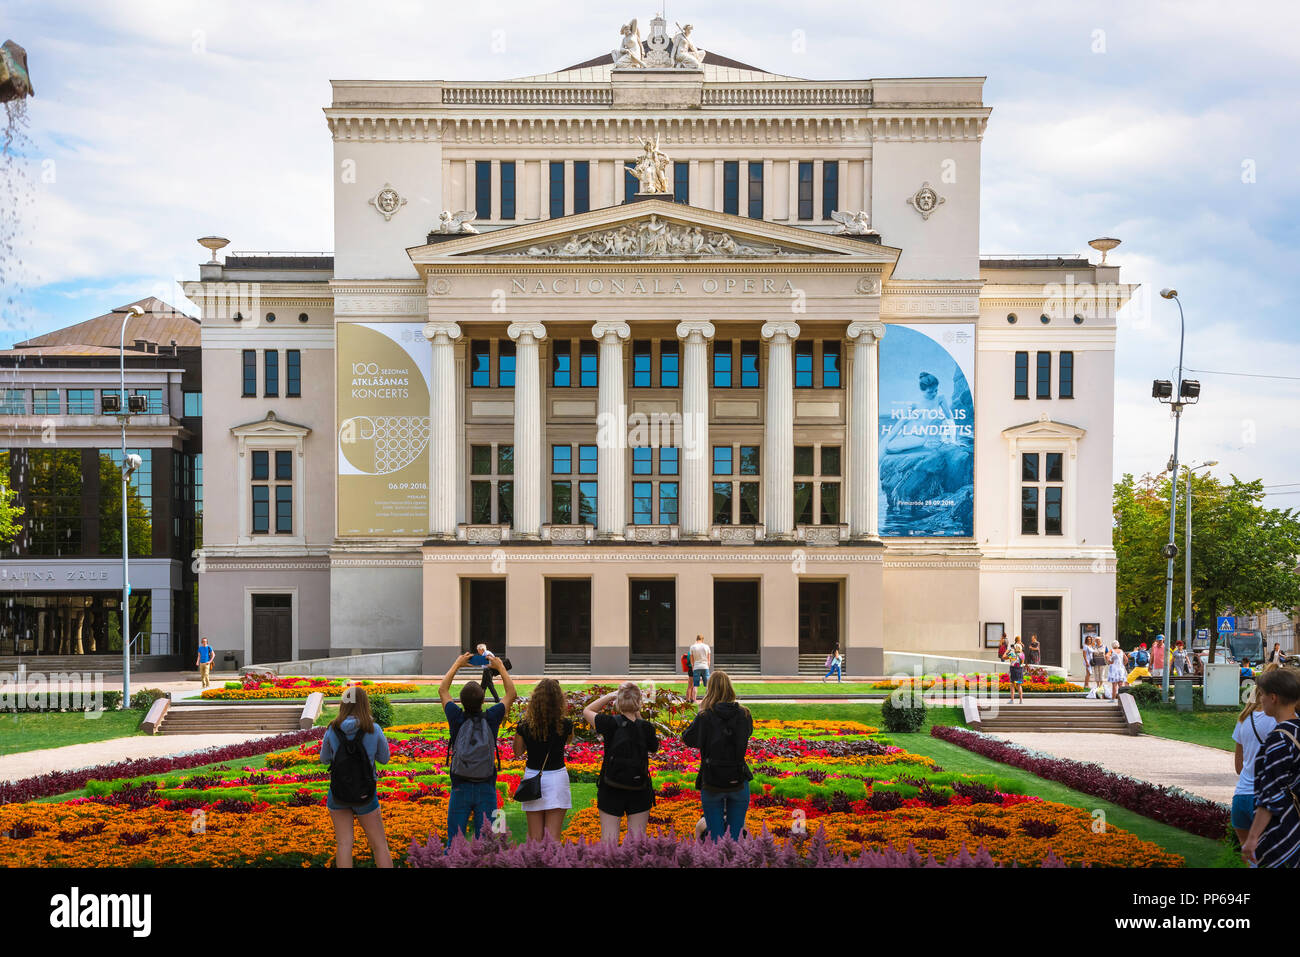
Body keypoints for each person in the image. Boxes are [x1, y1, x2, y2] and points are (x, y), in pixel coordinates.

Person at [439, 650, 517, 848]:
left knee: (454, 843)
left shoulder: (456, 717)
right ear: (483, 701)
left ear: (461, 701)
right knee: (488, 844)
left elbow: (442, 690)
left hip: (460, 786)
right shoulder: (491, 718)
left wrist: (457, 664)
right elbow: (511, 694)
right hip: (486, 786)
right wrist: (500, 667)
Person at [319, 686, 394, 868]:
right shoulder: (374, 729)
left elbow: (324, 759)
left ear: (343, 705)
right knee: (379, 845)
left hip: (338, 793)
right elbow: (384, 759)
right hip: (365, 793)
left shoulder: (332, 729)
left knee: (344, 844)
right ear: (364, 704)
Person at [583, 681, 660, 844]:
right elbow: (654, 747)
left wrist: (610, 696)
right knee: (637, 843)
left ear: (618, 701)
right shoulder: (646, 728)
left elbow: (587, 710)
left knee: (609, 842)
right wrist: (636, 711)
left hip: (611, 786)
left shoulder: (610, 723)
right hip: (639, 787)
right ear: (639, 703)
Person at [682, 671, 753, 841]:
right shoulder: (744, 714)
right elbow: (747, 734)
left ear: (710, 690)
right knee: (735, 838)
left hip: (712, 780)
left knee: (717, 838)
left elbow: (688, 738)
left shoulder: (705, 716)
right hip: (738, 778)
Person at [1241, 667, 1300, 867]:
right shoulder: (1296, 730)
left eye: (1263, 694)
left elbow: (1272, 795)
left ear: (1273, 697)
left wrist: (1252, 838)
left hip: (1284, 831)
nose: (1261, 699)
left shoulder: (1279, 739)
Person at [511, 677, 573, 843]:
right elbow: (568, 741)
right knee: (553, 839)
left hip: (533, 777)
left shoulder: (525, 725)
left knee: (535, 838)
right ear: (559, 700)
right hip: (557, 778)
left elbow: (517, 752)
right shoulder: (566, 724)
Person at [1232, 683, 1279, 848]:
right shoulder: (1278, 720)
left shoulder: (1243, 719)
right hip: (1264, 798)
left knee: (1248, 856)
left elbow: (1239, 768)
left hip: (1241, 796)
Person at [688, 634, 712, 704]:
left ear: (696, 639)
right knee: (707, 685)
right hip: (705, 666)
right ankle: (708, 699)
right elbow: (709, 659)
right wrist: (707, 666)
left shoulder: (692, 647)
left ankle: (694, 700)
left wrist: (693, 667)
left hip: (696, 666)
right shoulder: (706, 646)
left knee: (695, 685)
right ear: (702, 639)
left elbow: (691, 659)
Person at [1005, 638, 1026, 704]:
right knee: (1019, 685)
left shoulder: (1012, 654)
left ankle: (1012, 700)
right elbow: (1022, 663)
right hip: (1019, 670)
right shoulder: (1022, 654)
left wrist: (1008, 651)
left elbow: (1004, 657)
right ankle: (1021, 700)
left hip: (1013, 670)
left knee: (1012, 685)